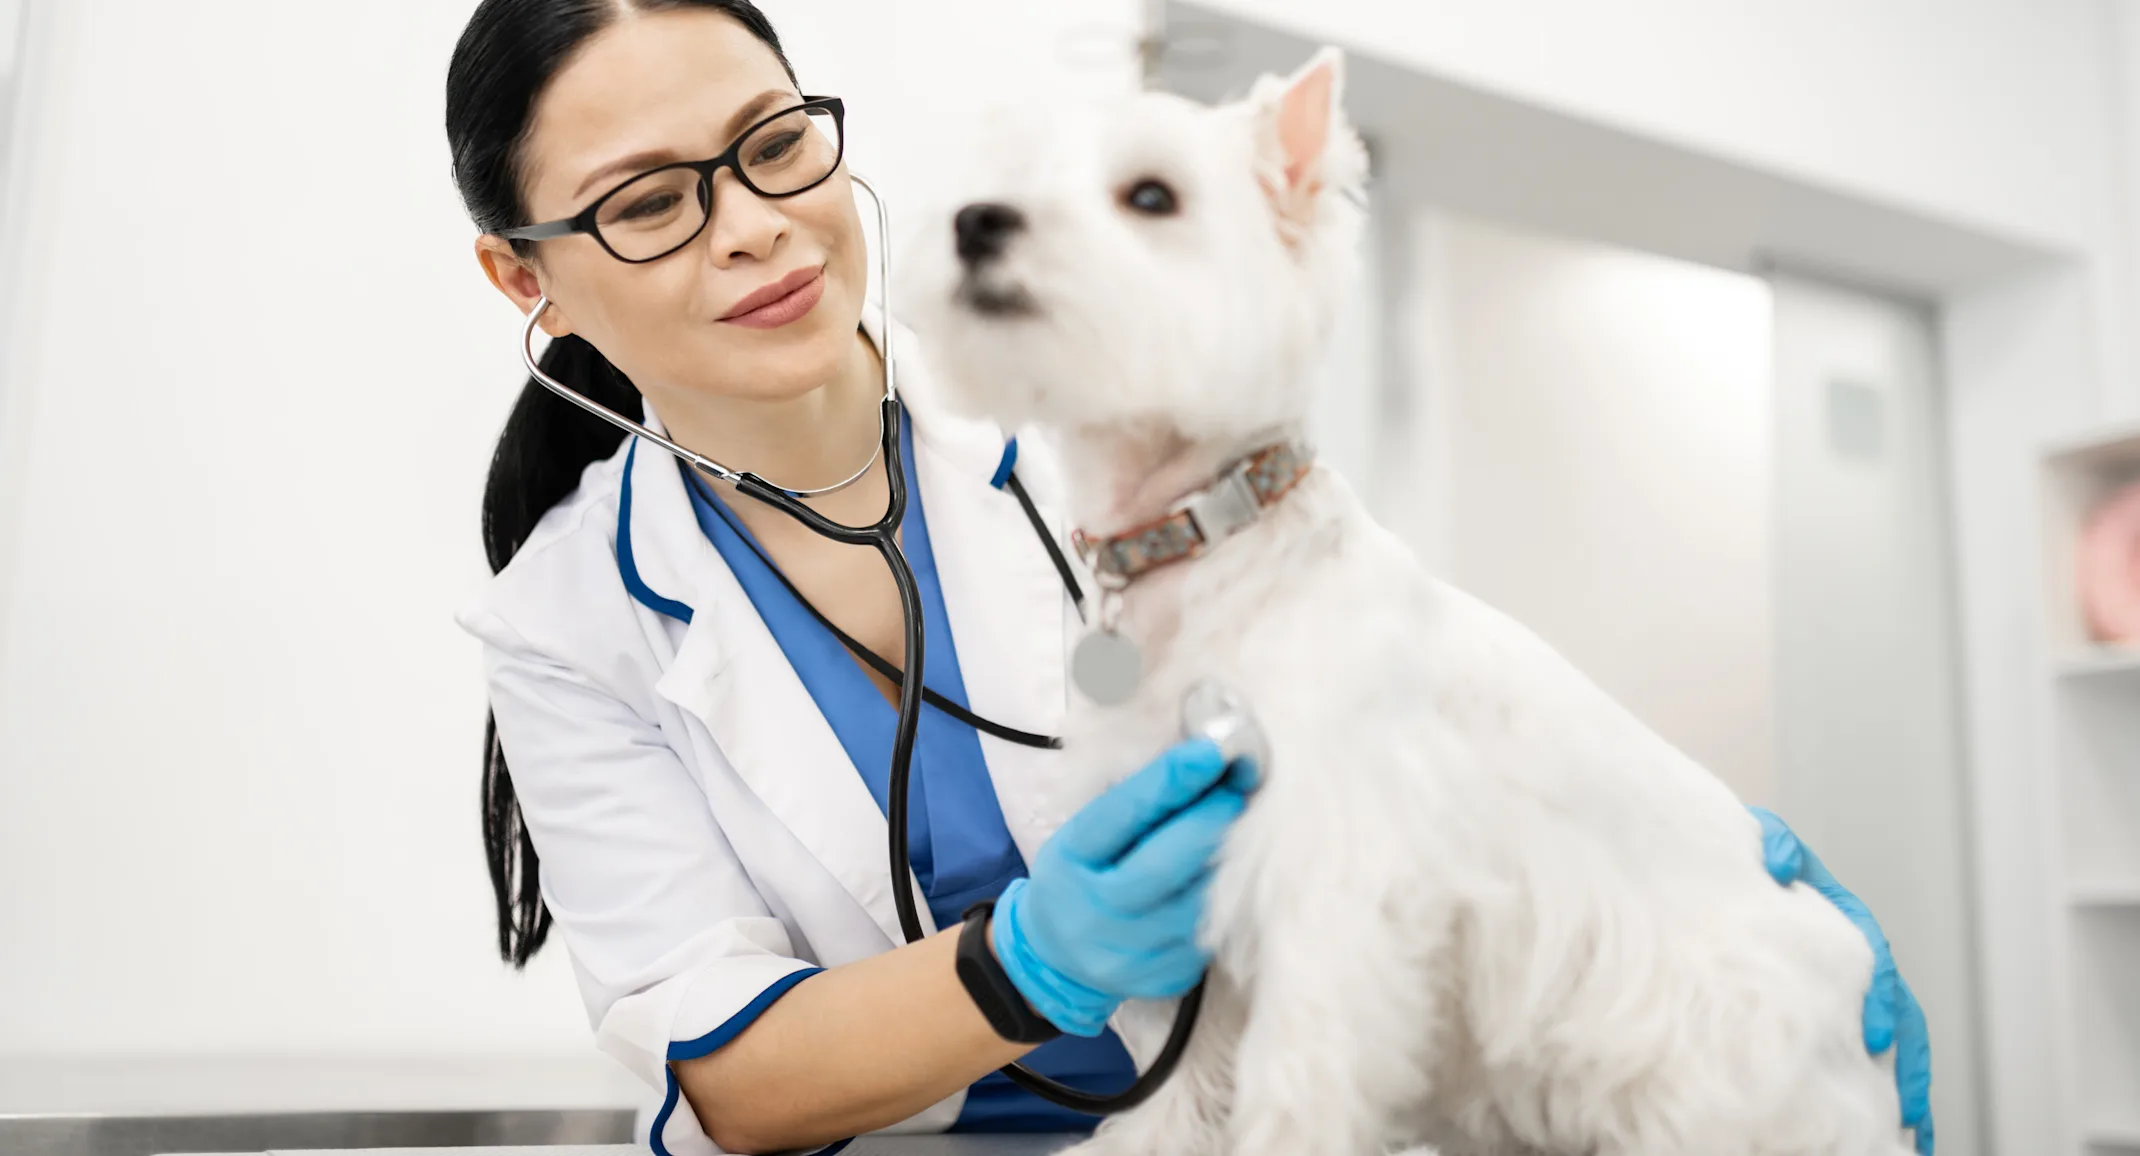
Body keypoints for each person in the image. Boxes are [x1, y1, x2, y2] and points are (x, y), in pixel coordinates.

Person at [444, 3, 1932, 1154]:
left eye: (775, 145)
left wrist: (1712, 878)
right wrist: (1023, 968)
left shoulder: (1109, 434)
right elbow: (730, 1075)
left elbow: (1431, 748)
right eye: (650, 203)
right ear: (526, 276)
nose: (755, 224)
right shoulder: (568, 622)